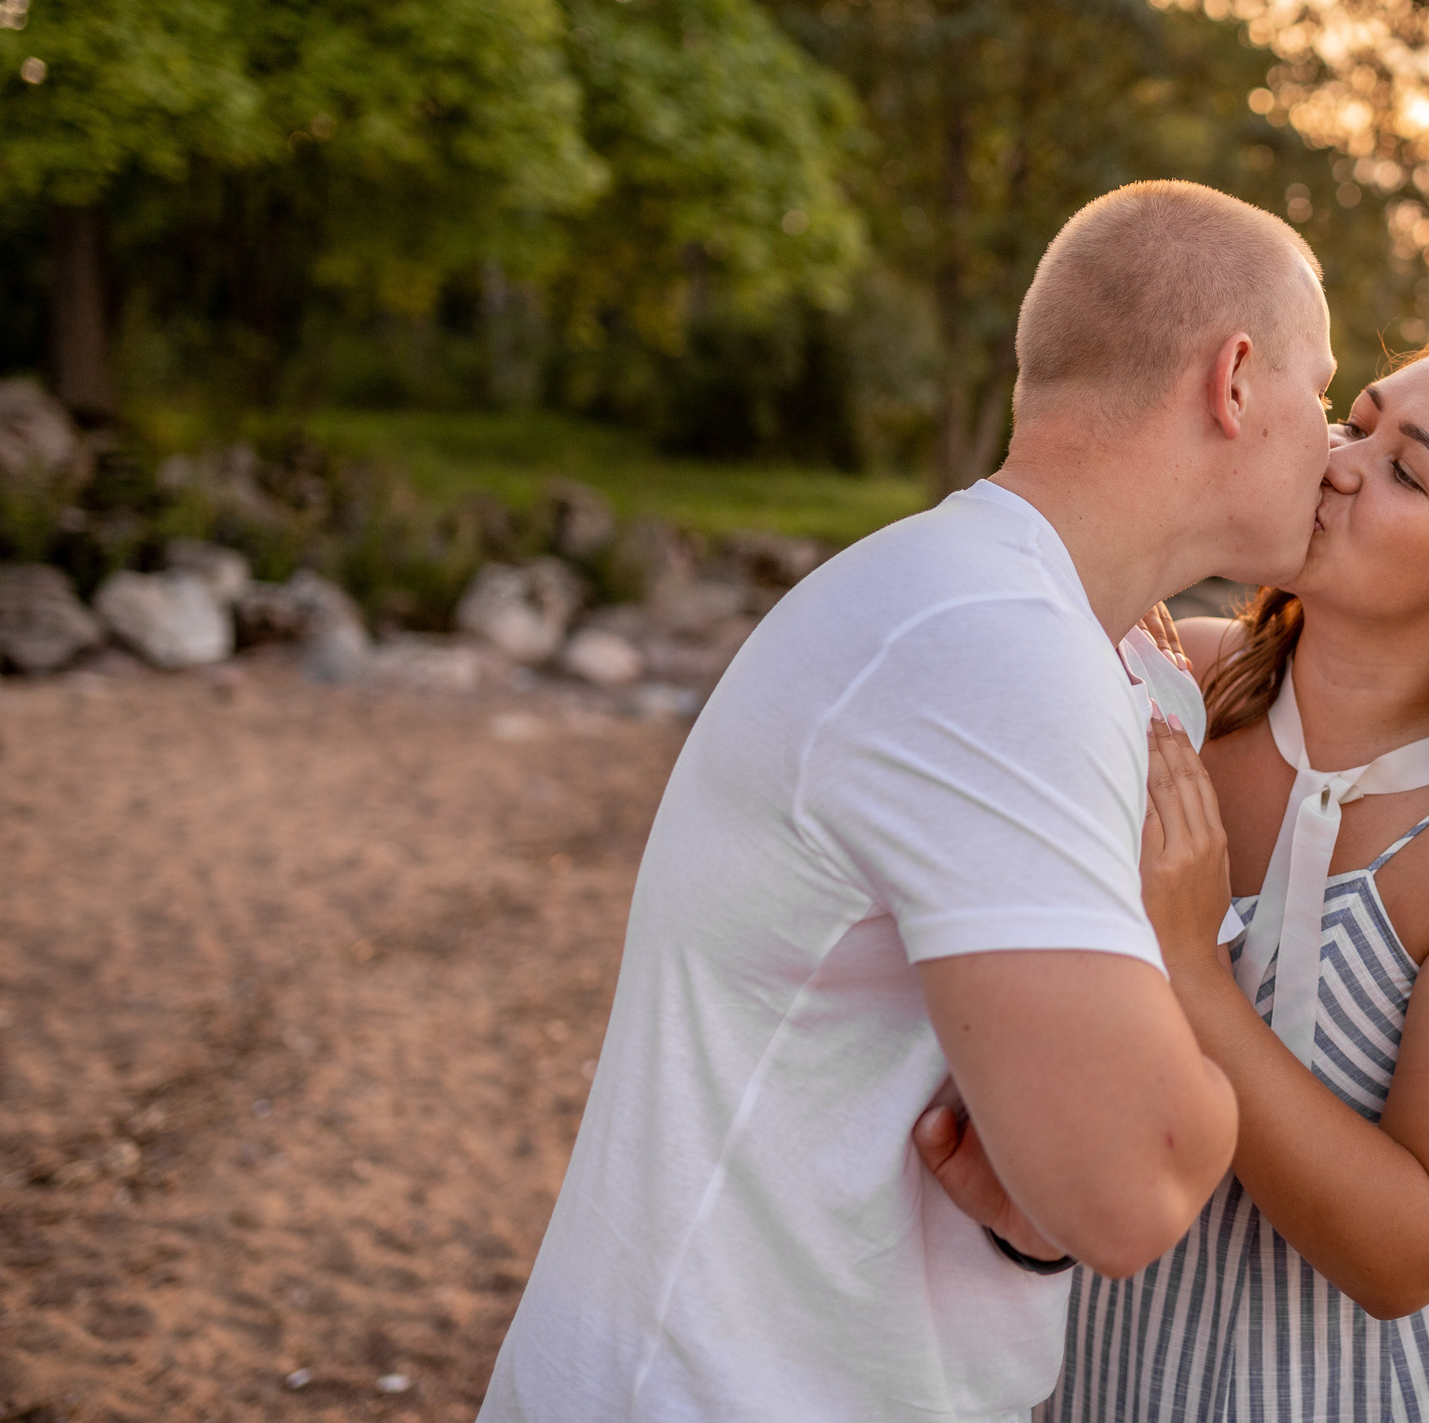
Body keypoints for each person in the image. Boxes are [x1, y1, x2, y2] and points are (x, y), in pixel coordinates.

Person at [479, 181, 1339, 1423]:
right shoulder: (989, 647)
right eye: (1320, 395)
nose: (1333, 449)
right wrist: (1178, 957)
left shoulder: (1073, 641)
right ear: (1237, 379)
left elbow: (1042, 1185)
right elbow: (1134, 1187)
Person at [924, 333, 1429, 1421]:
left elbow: (1412, 1252)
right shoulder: (1174, 688)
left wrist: (1196, 974)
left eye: (1404, 469)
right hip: (1112, 1355)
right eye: (1359, 421)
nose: (1338, 460)